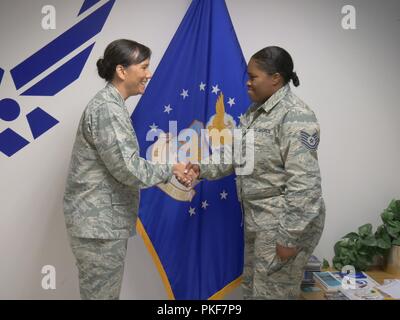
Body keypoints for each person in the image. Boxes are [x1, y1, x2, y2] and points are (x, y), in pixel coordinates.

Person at [185, 46, 325, 299]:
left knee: (271, 294)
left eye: (253, 77)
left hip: (280, 224)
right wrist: (199, 167)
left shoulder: (296, 116)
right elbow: (235, 154)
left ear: (276, 79)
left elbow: (305, 184)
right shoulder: (254, 113)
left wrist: (289, 237)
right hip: (258, 221)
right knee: (252, 291)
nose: (247, 83)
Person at [63, 39, 192, 300]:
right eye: (144, 67)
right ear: (122, 71)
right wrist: (172, 168)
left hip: (101, 225)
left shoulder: (113, 106)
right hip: (98, 226)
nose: (149, 73)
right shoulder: (108, 109)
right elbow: (129, 169)